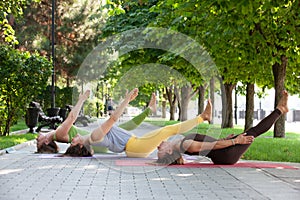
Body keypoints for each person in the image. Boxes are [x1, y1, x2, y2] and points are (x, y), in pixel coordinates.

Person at [64, 88, 213, 157]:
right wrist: (127, 99)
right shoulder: (94, 137)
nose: (73, 138)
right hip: (136, 147)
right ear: (79, 145)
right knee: (169, 130)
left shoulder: (93, 139)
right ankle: (202, 117)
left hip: (136, 145)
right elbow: (113, 119)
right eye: (73, 142)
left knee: (170, 133)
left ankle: (198, 139)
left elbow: (116, 123)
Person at [156, 90, 289, 165]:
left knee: (253, 131)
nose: (158, 146)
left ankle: (280, 109)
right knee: (254, 131)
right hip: (226, 155)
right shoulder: (185, 145)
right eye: (160, 150)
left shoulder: (183, 143)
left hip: (224, 153)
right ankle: (280, 109)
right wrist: (235, 141)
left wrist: (226, 139)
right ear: (169, 152)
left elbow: (209, 144)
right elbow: (212, 146)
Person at [36, 90, 157, 154]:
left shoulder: (59, 135)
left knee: (123, 126)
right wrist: (81, 100)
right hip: (97, 142)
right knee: (121, 125)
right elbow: (72, 117)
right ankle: (149, 110)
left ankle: (149, 110)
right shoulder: (60, 134)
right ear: (47, 141)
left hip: (97, 142)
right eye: (39, 142)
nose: (37, 139)